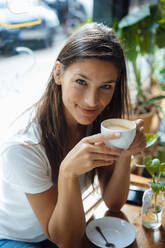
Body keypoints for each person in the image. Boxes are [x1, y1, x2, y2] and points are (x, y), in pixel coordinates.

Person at [0, 22, 146, 248]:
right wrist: (67, 172)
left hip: (66, 226)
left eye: (106, 86)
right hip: (18, 239)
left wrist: (126, 152)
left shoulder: (98, 125)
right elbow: (64, 240)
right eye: (81, 82)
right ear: (58, 73)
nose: (92, 101)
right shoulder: (24, 147)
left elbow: (114, 203)